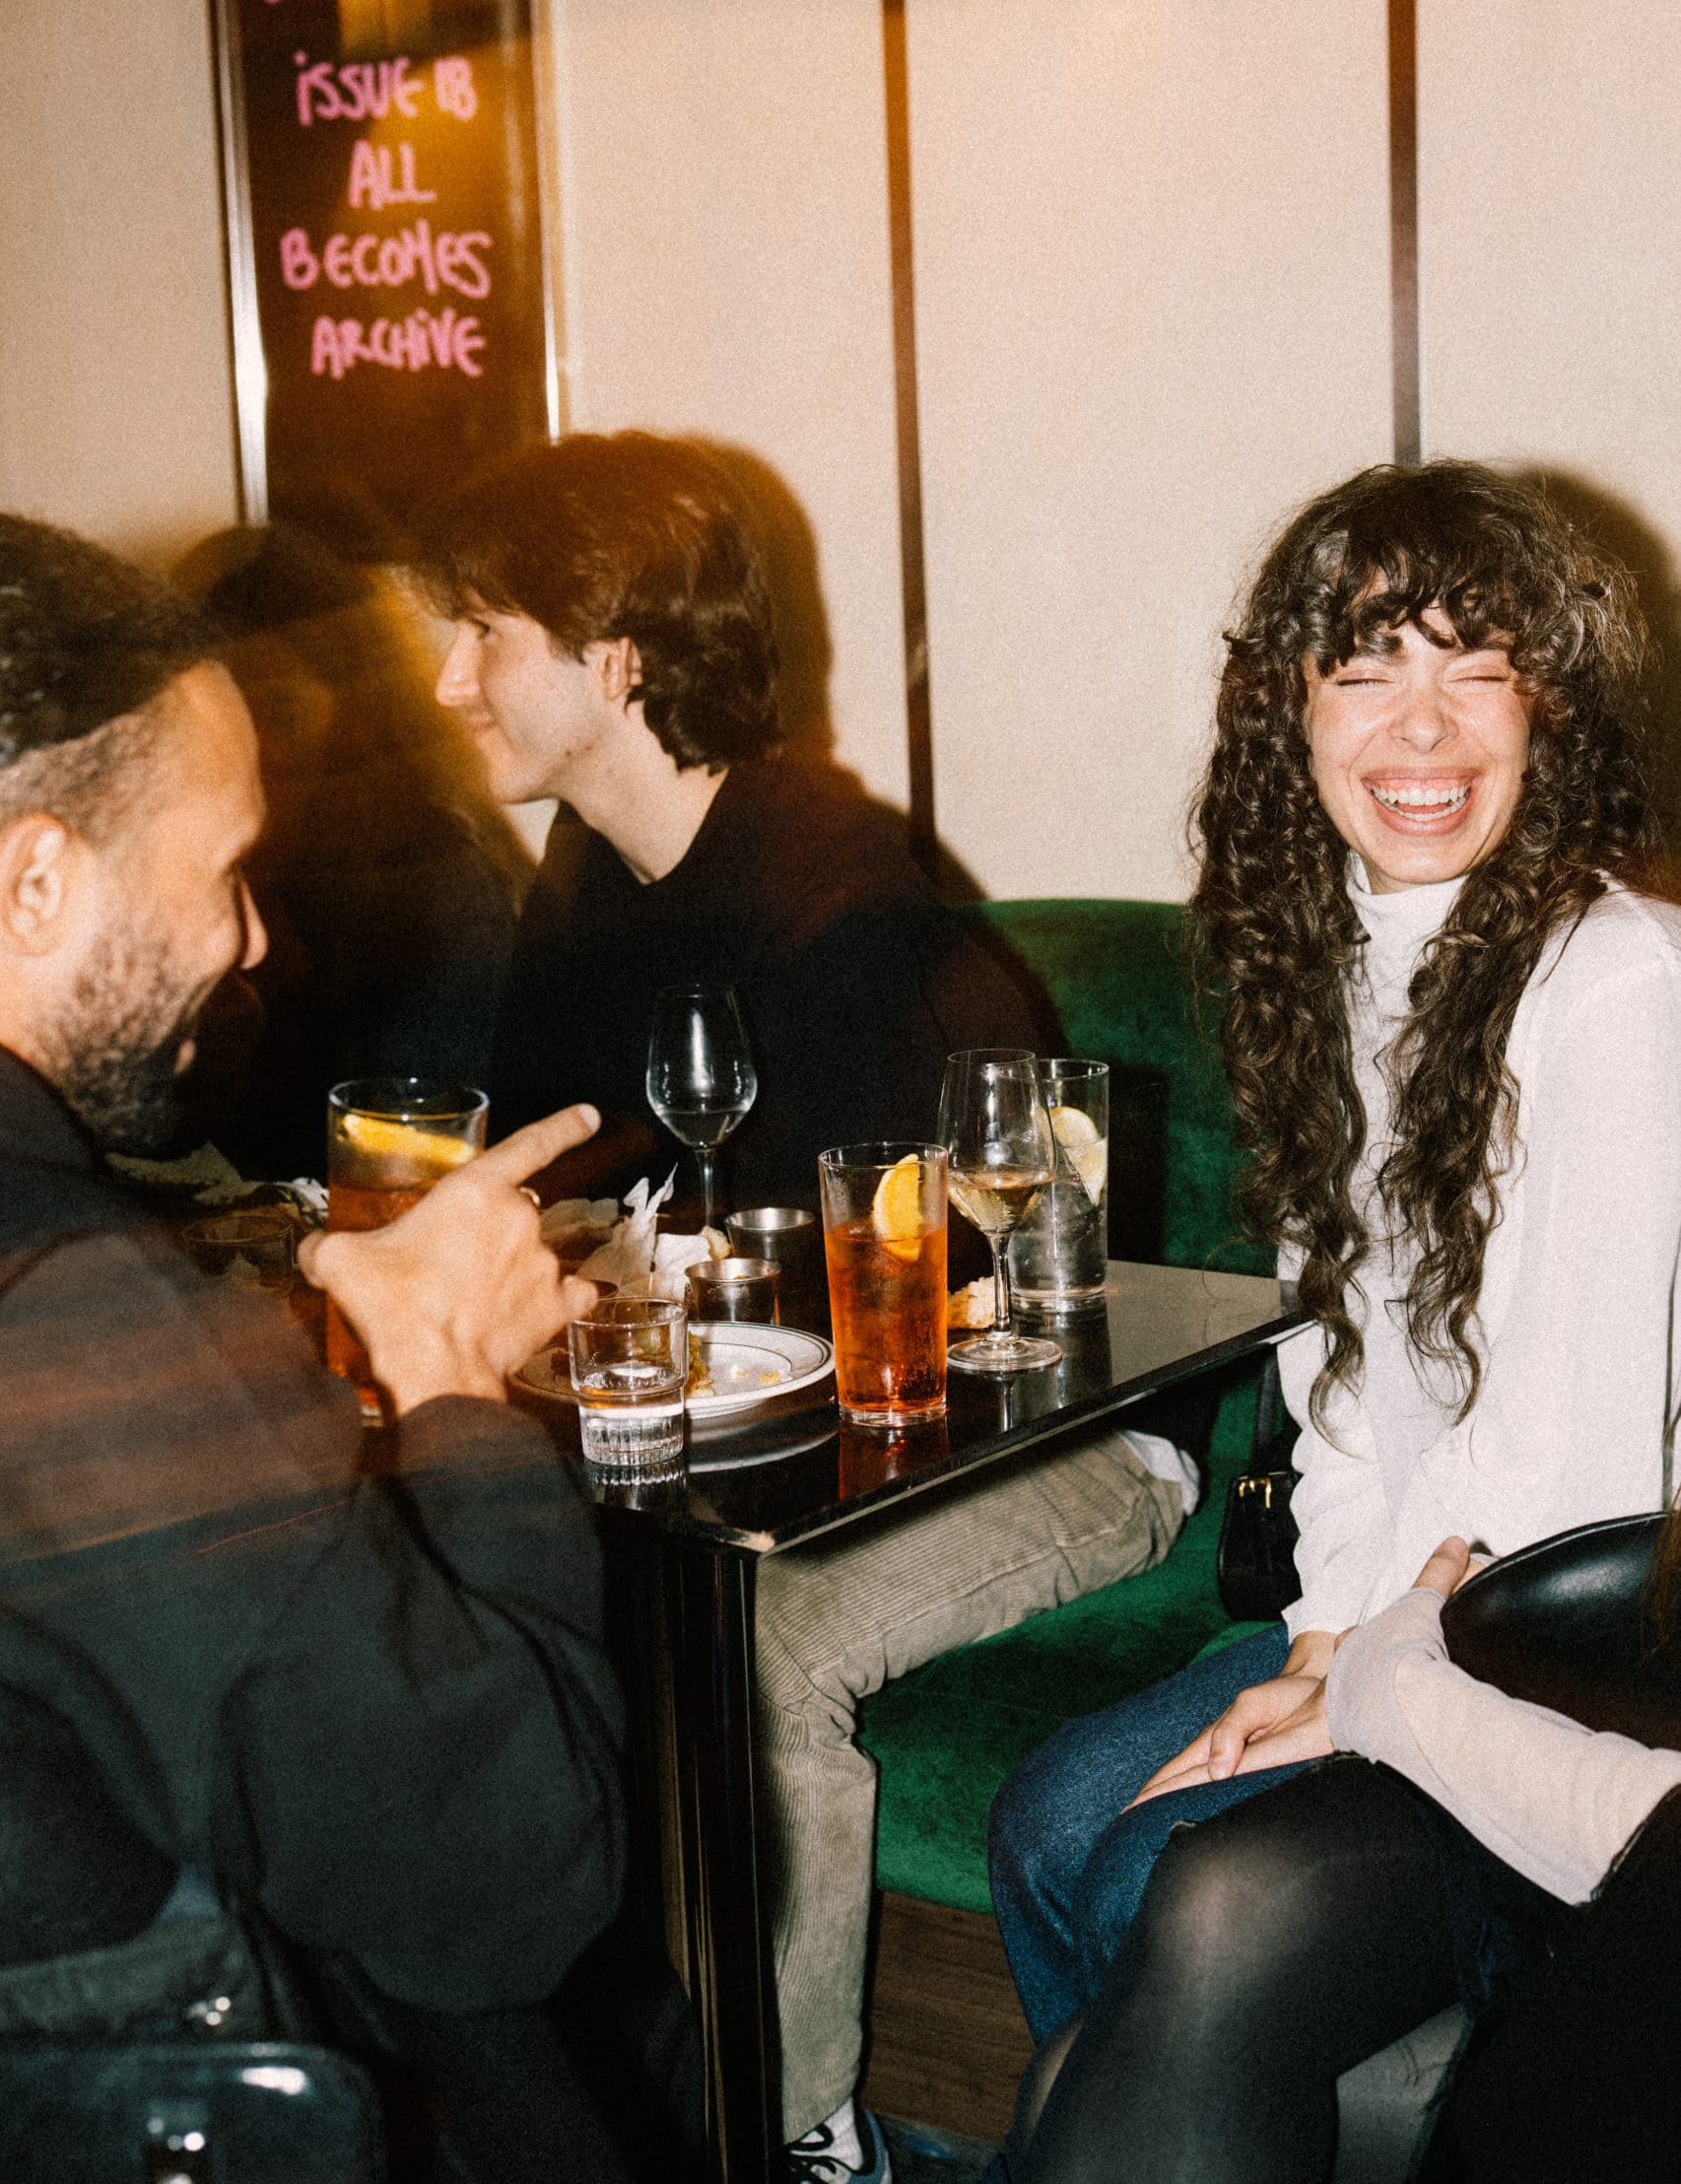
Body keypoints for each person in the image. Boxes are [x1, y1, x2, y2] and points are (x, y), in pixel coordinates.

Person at [409, 430, 1200, 2184]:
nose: (451, 680)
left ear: (615, 657)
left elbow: (965, 1305)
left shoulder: (843, 908)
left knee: (753, 1656)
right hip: (763, 1441)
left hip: (1047, 1439)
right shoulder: (589, 876)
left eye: (484, 631)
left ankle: (793, 2132)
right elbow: (559, 1185)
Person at [989, 457, 1681, 2050]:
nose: (1420, 732)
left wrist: (1355, 1683)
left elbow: (1567, 1459)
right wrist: (1315, 1637)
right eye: (1364, 671)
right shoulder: (1335, 969)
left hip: (1578, 1651)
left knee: (1161, 1877)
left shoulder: (1617, 985)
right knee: (1046, 1824)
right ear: (1290, 712)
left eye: (1476, 671)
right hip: (1407, 1610)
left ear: (1547, 714)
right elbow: (1349, 1378)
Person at [0, 512, 638, 2178]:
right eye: (222, 871)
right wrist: (454, 1385)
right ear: (37, 883)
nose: (253, 942)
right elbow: (512, 1883)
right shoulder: (80, 1330)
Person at [1000, 1532, 1681, 2183]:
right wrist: (1324, 1648)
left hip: (1558, 1666)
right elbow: (1353, 1462)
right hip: (1409, 1627)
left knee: (1166, 1896)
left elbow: (1652, 1829)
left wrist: (1394, 1688)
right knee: (1047, 1835)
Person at [171, 522, 532, 1178]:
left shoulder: (438, 886)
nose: (250, 747)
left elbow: (408, 1160)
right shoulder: (203, 866)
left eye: (278, 712)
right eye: (220, 714)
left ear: (360, 715)